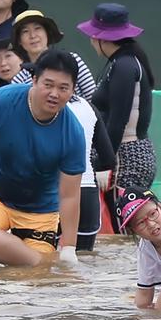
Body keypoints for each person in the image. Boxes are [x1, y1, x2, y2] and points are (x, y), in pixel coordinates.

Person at [0, 49, 85, 266]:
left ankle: (42, 265)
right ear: (34, 80)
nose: (54, 94)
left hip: (40, 212)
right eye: (48, 85)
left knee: (37, 280)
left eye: (63, 88)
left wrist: (69, 248)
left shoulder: (73, 133)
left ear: (73, 90)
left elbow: (69, 195)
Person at [77, 3, 157, 224]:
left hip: (125, 157)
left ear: (103, 39)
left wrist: (106, 164)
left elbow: (117, 121)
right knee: (125, 228)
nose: (91, 41)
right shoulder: (123, 62)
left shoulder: (123, 66)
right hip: (128, 153)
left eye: (93, 36)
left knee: (123, 226)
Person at [64, 94, 116, 251]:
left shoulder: (39, 109)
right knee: (84, 262)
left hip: (54, 194)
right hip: (87, 193)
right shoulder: (87, 106)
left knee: (48, 263)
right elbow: (108, 158)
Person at [10, 10, 96, 101]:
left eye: (37, 28)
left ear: (47, 33)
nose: (32, 35)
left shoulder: (72, 60)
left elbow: (93, 98)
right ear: (19, 40)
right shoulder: (19, 80)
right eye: (25, 31)